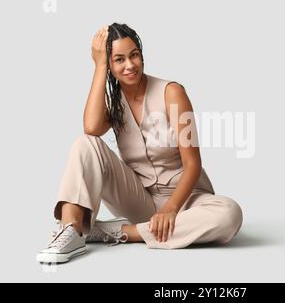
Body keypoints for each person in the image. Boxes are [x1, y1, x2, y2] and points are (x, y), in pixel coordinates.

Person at [37, 23, 243, 264]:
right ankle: (71, 230)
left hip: (187, 201)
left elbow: (193, 164)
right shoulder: (114, 102)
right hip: (140, 200)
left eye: (134, 55)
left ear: (142, 56)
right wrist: (99, 66)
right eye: (119, 59)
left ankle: (117, 232)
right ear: (111, 65)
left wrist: (171, 209)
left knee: (230, 214)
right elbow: (91, 128)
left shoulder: (172, 93)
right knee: (85, 144)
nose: (130, 65)